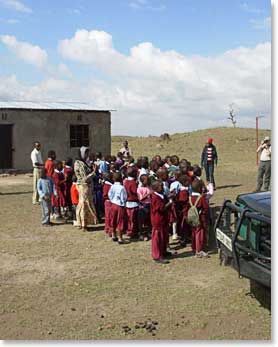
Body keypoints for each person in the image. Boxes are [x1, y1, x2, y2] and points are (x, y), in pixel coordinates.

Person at [74, 146, 98, 231]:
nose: (87, 155)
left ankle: (81, 223)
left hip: (86, 186)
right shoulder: (79, 163)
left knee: (83, 204)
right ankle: (83, 224)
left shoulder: (83, 162)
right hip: (83, 186)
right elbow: (84, 178)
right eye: (86, 153)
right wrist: (93, 172)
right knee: (84, 205)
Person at [150, 180, 173, 264]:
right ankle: (157, 255)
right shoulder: (155, 197)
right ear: (156, 188)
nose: (163, 188)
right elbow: (161, 208)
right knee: (157, 237)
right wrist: (169, 203)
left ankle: (163, 251)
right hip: (157, 220)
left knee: (164, 235)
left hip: (163, 219)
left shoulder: (161, 195)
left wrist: (170, 197)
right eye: (161, 186)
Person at [188, 180, 209, 258]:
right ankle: (199, 250)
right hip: (200, 219)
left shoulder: (190, 198)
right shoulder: (201, 198)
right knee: (199, 234)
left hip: (192, 218)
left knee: (194, 232)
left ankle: (194, 247)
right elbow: (206, 208)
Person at [108, 172, 127, 244]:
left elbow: (109, 194)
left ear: (113, 179)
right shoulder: (122, 188)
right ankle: (120, 237)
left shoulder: (112, 186)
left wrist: (112, 200)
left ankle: (113, 234)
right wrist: (122, 202)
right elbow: (124, 197)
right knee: (120, 221)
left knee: (113, 219)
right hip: (120, 206)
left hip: (113, 204)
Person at [123, 167, 139, 239]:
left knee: (129, 218)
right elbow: (135, 192)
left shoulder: (125, 182)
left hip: (127, 203)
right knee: (133, 219)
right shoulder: (133, 183)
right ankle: (132, 232)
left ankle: (129, 230)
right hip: (133, 203)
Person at [137, 174, 152, 241]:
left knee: (148, 221)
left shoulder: (149, 187)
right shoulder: (139, 189)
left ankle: (149, 232)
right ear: (142, 181)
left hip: (149, 205)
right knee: (142, 222)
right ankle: (142, 234)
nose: (148, 181)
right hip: (143, 206)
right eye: (146, 180)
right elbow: (140, 198)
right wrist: (148, 194)